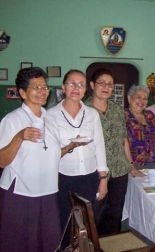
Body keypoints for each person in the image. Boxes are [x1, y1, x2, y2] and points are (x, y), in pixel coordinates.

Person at [0, 67, 61, 251]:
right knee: (19, 242)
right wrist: (20, 137)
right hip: (20, 193)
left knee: (46, 241)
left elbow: (49, 153)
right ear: (22, 92)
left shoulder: (50, 119)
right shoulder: (12, 120)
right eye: (36, 87)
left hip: (48, 190)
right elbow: (1, 161)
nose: (43, 91)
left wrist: (70, 147)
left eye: (45, 86)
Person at [46, 69, 109, 236]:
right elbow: (50, 152)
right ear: (63, 87)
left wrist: (103, 179)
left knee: (89, 222)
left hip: (89, 177)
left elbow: (99, 146)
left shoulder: (92, 114)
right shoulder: (50, 115)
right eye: (72, 83)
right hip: (62, 177)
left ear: (85, 90)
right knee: (65, 222)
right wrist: (71, 145)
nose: (76, 88)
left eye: (81, 84)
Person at [86, 68, 140, 235]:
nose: (106, 87)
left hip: (119, 171)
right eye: (102, 83)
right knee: (95, 214)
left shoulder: (117, 109)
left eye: (110, 84)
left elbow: (124, 138)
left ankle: (111, 245)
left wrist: (130, 165)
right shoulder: (84, 110)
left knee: (115, 214)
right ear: (92, 85)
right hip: (95, 171)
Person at [125, 85, 155, 169]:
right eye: (138, 97)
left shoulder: (150, 115)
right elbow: (122, 143)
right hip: (131, 165)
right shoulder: (123, 116)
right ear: (129, 98)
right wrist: (131, 166)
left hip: (152, 165)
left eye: (145, 98)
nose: (141, 101)